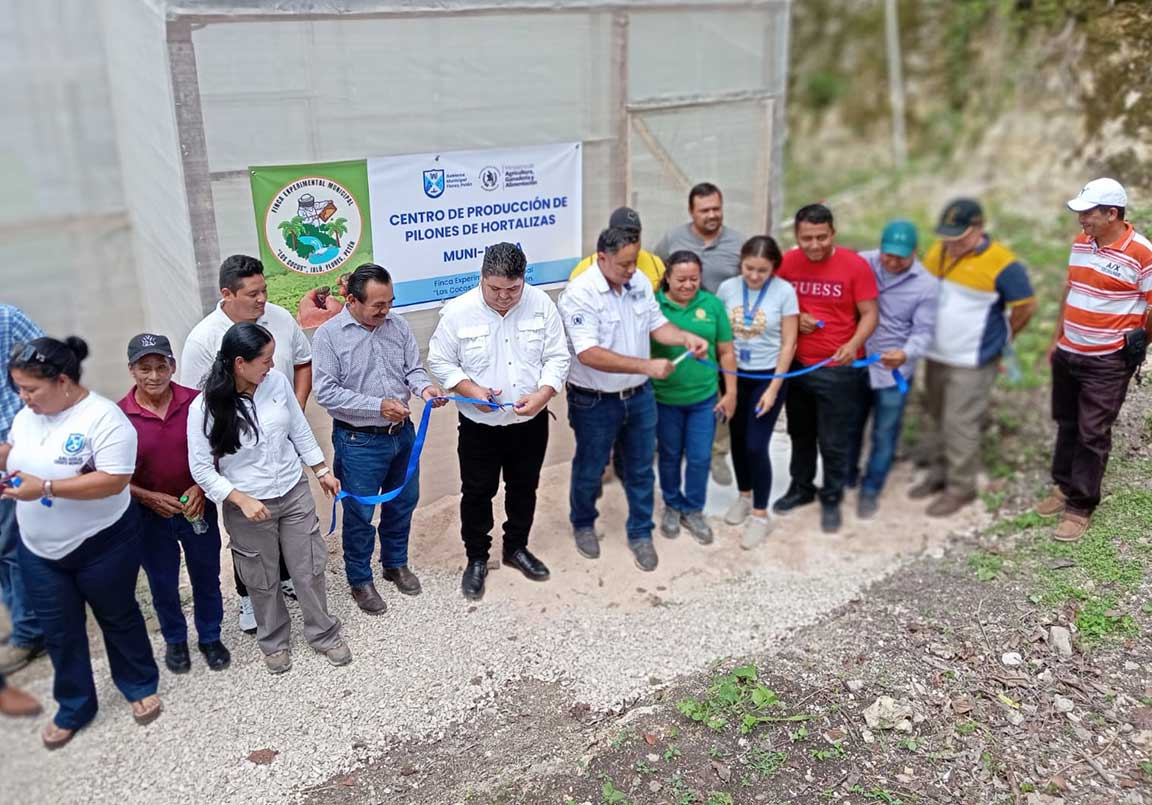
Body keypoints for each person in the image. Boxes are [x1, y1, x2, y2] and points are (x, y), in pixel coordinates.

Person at [3, 336, 161, 750]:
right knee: (59, 630)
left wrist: (46, 487)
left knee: (118, 615)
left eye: (31, 389)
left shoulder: (103, 418)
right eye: (19, 389)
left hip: (102, 545)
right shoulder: (27, 416)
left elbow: (114, 480)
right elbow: (17, 452)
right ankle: (74, 705)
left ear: (62, 381)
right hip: (39, 549)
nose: (23, 398)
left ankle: (138, 683)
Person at [186, 323, 350, 674]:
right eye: (265, 360)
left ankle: (323, 633)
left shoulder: (276, 383)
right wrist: (239, 498)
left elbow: (298, 428)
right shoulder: (204, 407)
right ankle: (274, 642)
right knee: (261, 577)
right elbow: (200, 468)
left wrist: (321, 470)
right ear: (240, 363)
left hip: (292, 491)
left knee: (309, 567)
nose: (272, 366)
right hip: (248, 506)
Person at [559, 226, 709, 572]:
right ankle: (583, 523)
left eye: (634, 261)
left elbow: (657, 324)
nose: (631, 270)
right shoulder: (579, 294)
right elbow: (588, 353)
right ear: (602, 258)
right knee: (591, 467)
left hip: (640, 396)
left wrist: (684, 337)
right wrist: (646, 365)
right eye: (624, 263)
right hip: (595, 401)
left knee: (641, 469)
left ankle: (641, 532)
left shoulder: (638, 280)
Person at [428, 243, 570, 600]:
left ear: (523, 279)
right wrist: (471, 389)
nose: (504, 297)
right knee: (477, 492)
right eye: (495, 289)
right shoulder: (458, 312)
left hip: (530, 423)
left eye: (513, 289)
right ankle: (477, 557)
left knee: (524, 487)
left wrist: (543, 395)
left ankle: (516, 548)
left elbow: (557, 357)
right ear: (482, 278)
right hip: (480, 427)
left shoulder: (541, 304)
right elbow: (440, 361)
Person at [179, 254, 310, 631]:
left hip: (279, 439)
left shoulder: (280, 318)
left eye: (264, 290)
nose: (262, 300)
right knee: (247, 527)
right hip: (236, 453)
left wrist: (294, 411)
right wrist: (207, 469)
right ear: (227, 294)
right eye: (253, 294)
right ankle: (248, 594)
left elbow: (303, 362)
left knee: (285, 510)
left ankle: (284, 577)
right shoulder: (203, 339)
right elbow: (194, 406)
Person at [312, 264, 445, 612]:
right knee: (360, 513)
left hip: (403, 435)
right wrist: (377, 406)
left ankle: (394, 563)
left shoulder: (397, 325)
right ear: (352, 301)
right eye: (378, 305)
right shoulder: (329, 336)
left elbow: (412, 369)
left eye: (390, 302)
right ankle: (360, 580)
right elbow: (326, 392)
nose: (386, 311)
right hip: (359, 442)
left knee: (403, 502)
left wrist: (425, 388)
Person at [1036, 179, 1151, 542]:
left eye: (1088, 213)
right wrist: (1056, 341)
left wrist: (1138, 343)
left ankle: (1080, 505)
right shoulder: (1081, 243)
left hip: (1107, 360)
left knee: (1092, 431)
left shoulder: (1142, 254)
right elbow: (1070, 290)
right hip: (1070, 351)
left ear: (1112, 213)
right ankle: (1063, 484)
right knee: (1067, 421)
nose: (1081, 220)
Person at [912, 199, 1035, 516]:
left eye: (959, 238)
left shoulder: (1003, 265)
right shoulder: (937, 252)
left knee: (960, 423)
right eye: (946, 237)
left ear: (979, 229)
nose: (951, 245)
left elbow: (1025, 306)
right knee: (937, 414)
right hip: (937, 353)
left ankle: (960, 487)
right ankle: (939, 472)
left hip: (973, 360)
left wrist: (1003, 338)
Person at [118, 334, 229, 674]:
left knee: (206, 575)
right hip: (149, 515)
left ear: (173, 366)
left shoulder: (197, 403)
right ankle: (175, 640)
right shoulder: (118, 416)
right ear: (131, 370)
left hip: (196, 507)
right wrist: (146, 497)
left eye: (161, 366)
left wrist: (201, 487)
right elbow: (109, 474)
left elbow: (220, 449)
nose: (154, 376)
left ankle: (210, 636)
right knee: (162, 582)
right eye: (144, 368)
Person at [773, 204, 879, 533]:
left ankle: (831, 497)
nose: (815, 245)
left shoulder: (855, 265)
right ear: (796, 236)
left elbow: (870, 313)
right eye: (807, 238)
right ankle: (801, 487)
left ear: (833, 233)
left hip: (838, 369)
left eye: (822, 237)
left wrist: (853, 344)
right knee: (800, 433)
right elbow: (772, 303)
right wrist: (794, 318)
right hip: (798, 366)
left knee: (833, 440)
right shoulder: (787, 263)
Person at [654, 183, 747, 487]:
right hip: (679, 330)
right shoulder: (673, 239)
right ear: (691, 211)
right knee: (682, 392)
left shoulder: (737, 243)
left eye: (716, 209)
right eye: (705, 210)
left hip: (721, 329)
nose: (712, 215)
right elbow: (657, 273)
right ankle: (678, 451)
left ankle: (717, 453)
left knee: (719, 394)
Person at [848, 221, 938, 519]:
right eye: (888, 255)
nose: (893, 262)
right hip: (857, 361)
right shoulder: (862, 263)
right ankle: (847, 475)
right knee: (849, 425)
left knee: (884, 433)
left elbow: (924, 331)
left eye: (901, 257)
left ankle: (871, 489)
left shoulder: (926, 286)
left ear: (915, 252)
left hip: (892, 370)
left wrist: (905, 353)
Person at [716, 237, 799, 547]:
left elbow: (789, 343)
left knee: (755, 444)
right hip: (734, 375)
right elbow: (720, 335)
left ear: (774, 267)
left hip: (768, 376)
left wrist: (774, 388)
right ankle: (744, 496)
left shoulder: (784, 292)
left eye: (762, 270)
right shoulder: (727, 288)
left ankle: (761, 515)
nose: (754, 276)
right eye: (749, 268)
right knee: (738, 440)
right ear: (741, 262)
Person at [651, 251, 737, 545]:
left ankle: (693, 509)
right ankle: (672, 505)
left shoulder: (712, 305)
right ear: (667, 277)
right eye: (681, 279)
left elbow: (726, 351)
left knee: (700, 457)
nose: (688, 285)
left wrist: (731, 392)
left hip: (704, 399)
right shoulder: (654, 306)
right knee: (670, 455)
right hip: (664, 399)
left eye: (694, 279)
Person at [0, 304, 45, 676]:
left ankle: (29, 631)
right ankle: (24, 620)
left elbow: (48, 363)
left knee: (12, 544)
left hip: (11, 449)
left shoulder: (6, 318)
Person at [570, 207, 666, 290]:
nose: (630, 240)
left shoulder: (656, 264)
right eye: (624, 234)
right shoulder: (584, 269)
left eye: (635, 235)